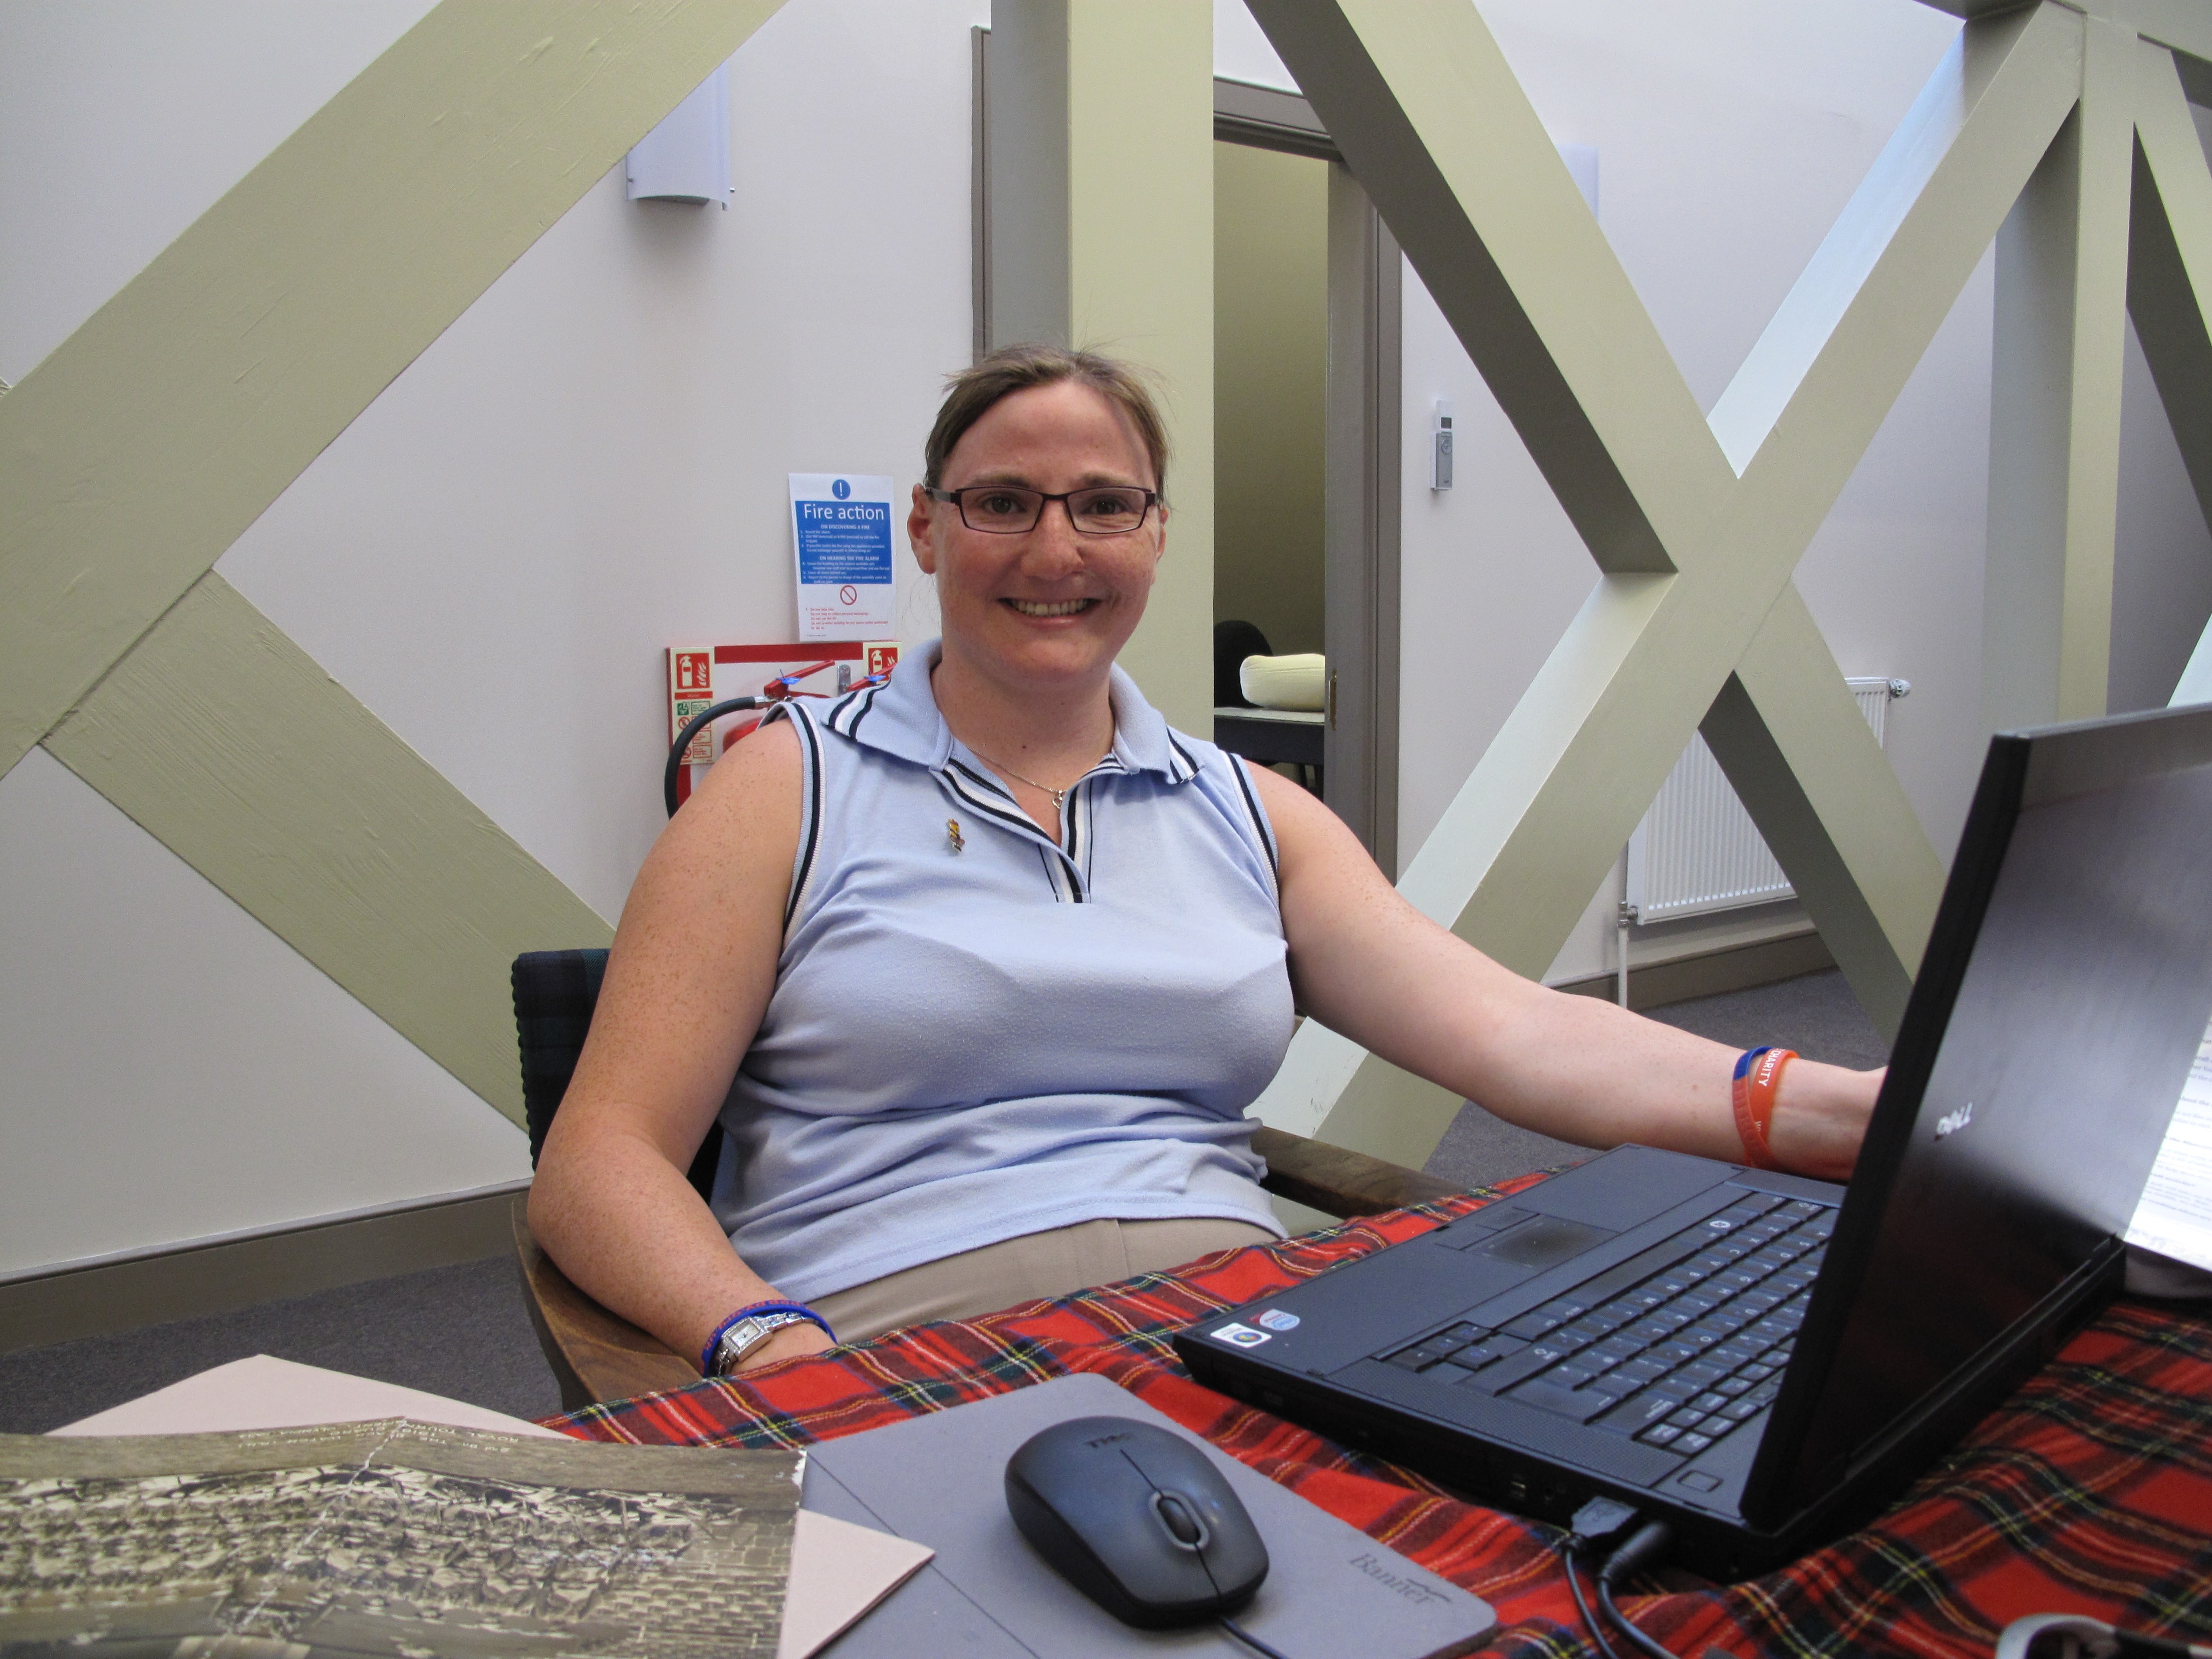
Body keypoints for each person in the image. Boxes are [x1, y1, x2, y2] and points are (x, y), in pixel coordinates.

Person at [529, 345, 1880, 1381]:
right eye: (1004, 502)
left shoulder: (1248, 809)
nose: (1056, 549)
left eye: (1104, 506)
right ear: (928, 530)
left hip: (1234, 1323)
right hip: (893, 1334)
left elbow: (1515, 1032)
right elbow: (601, 1160)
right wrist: (768, 1348)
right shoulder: (783, 784)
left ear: (1158, 535)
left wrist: (1834, 1110)